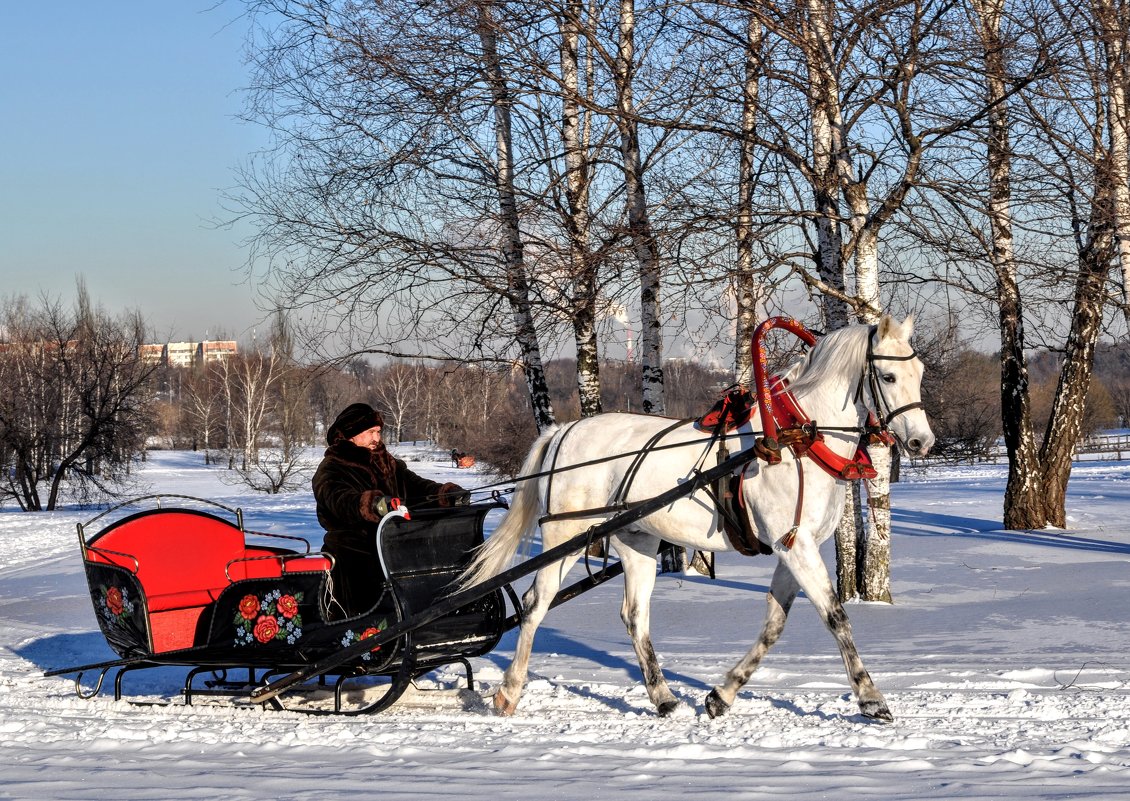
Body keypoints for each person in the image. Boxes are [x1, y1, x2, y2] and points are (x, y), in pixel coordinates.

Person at [312, 402, 469, 619]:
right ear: (350, 435)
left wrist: (443, 494)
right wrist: (372, 504)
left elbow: (415, 485)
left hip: (393, 541)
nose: (376, 438)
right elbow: (339, 499)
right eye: (370, 432)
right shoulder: (332, 467)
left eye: (378, 432)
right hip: (354, 547)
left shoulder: (386, 462)